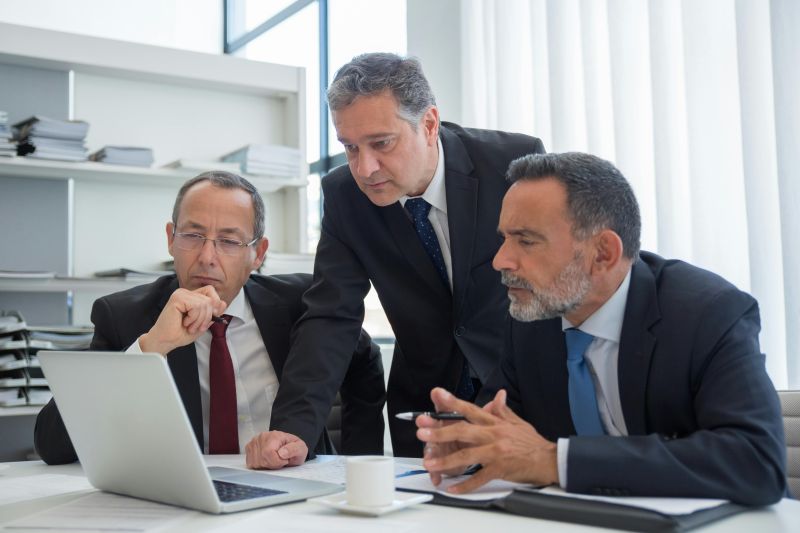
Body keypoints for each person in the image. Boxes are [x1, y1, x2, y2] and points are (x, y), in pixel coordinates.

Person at [415, 152, 787, 505]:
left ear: (603, 253)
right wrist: (464, 446)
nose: (500, 260)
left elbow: (757, 460)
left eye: (526, 241)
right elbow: (501, 429)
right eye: (504, 238)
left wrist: (553, 460)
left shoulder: (707, 313)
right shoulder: (532, 319)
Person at [269, 53, 546, 457]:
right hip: (424, 413)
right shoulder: (345, 196)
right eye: (350, 147)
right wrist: (293, 430)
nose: (365, 168)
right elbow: (330, 316)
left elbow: (556, 284)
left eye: (381, 143)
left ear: (429, 124)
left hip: (523, 400)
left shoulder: (511, 164)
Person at [34, 171, 385, 467]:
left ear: (258, 254)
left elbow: (365, 363)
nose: (207, 257)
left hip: (293, 490)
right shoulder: (126, 316)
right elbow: (52, 445)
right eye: (192, 236)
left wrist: (353, 464)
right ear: (171, 239)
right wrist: (153, 346)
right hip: (187, 498)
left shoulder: (301, 304)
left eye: (229, 242)